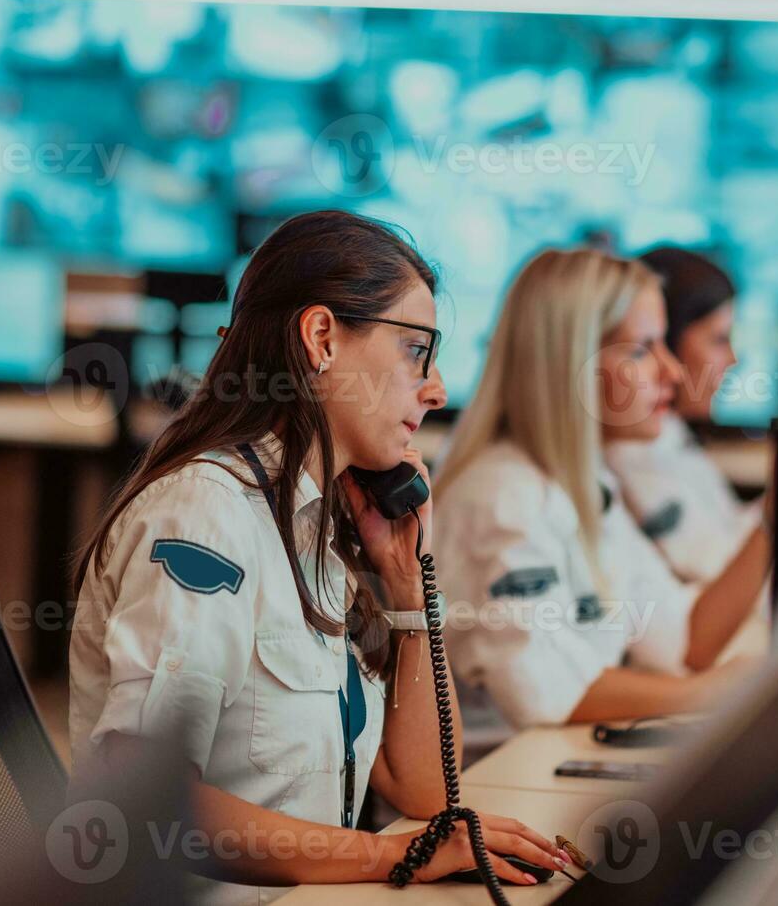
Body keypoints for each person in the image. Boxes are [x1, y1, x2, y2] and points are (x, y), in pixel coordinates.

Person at [66, 210, 568, 905]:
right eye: (415, 350)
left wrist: (404, 588)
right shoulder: (204, 518)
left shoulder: (322, 523)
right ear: (322, 338)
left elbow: (422, 786)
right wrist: (390, 856)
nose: (437, 387)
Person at [432, 248, 763, 736]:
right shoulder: (503, 493)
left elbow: (682, 642)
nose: (670, 372)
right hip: (502, 785)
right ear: (571, 362)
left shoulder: (587, 484)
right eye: (641, 350)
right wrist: (710, 693)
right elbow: (542, 693)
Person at [603, 246, 767, 587]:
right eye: (719, 340)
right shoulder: (632, 455)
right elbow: (717, 573)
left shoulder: (671, 435)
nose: (734, 360)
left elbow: (728, 535)